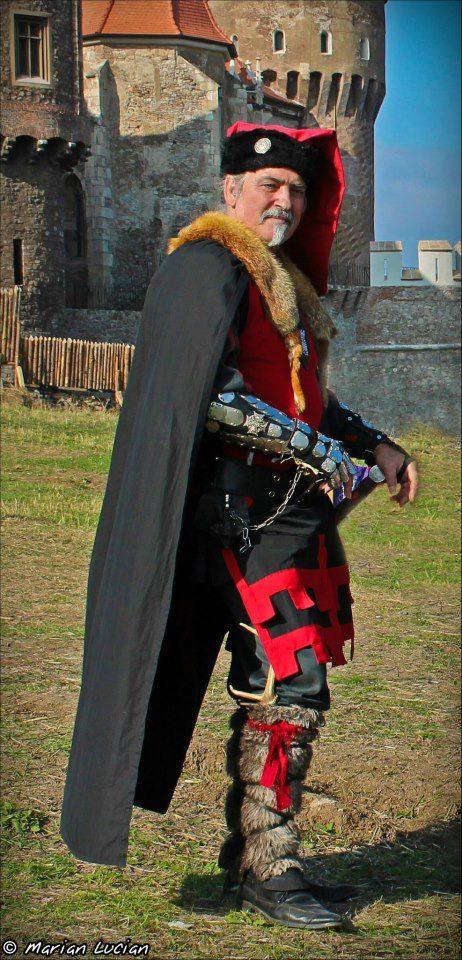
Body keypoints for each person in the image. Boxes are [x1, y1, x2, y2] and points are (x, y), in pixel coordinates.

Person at [61, 123, 418, 930]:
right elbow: (213, 396)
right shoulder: (206, 266)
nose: (283, 201)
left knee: (290, 684)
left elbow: (301, 398)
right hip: (237, 518)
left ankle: (263, 857)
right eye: (268, 187)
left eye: (295, 190)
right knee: (291, 681)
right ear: (230, 191)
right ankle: (269, 866)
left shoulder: (276, 280)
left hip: (286, 516)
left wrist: (372, 444)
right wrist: (319, 452)